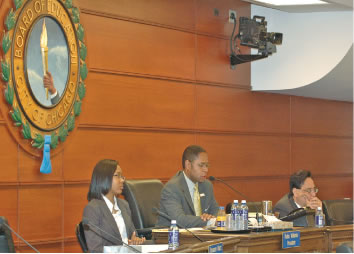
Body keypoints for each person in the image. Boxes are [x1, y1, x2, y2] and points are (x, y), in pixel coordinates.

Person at [82, 159, 145, 252]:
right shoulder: (93, 209)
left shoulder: (124, 205)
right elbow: (95, 250)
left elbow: (132, 235)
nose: (122, 180)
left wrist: (135, 241)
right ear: (104, 177)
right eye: (117, 176)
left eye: (122, 176)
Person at [156, 145, 219, 228]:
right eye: (201, 165)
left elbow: (215, 212)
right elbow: (179, 220)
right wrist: (208, 221)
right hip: (171, 237)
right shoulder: (172, 188)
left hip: (199, 236)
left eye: (207, 165)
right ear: (188, 165)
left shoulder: (207, 186)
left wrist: (211, 218)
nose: (206, 170)